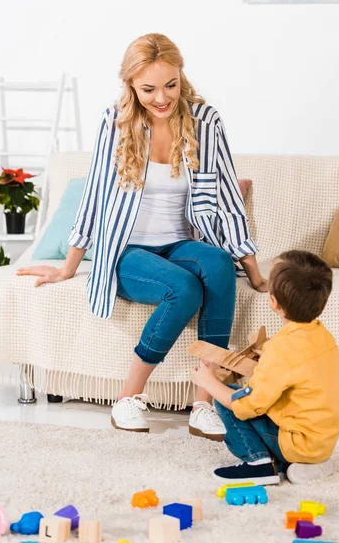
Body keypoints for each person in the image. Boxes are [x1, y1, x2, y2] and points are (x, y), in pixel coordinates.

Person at [16, 33, 267, 439]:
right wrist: (68, 268)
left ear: (181, 76)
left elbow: (226, 201)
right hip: (127, 250)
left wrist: (255, 273)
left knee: (219, 263)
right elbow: (95, 197)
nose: (163, 97)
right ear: (130, 84)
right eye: (149, 88)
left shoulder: (205, 120)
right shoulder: (114, 122)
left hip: (181, 243)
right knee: (184, 288)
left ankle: (205, 402)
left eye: (171, 84)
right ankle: (128, 397)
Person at [193, 250, 339, 484]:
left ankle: (258, 464)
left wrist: (209, 383)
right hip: (323, 443)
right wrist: (267, 357)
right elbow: (301, 371)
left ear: (273, 302)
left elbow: (246, 406)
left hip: (296, 443)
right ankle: (309, 464)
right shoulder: (322, 335)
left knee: (227, 399)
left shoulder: (281, 350)